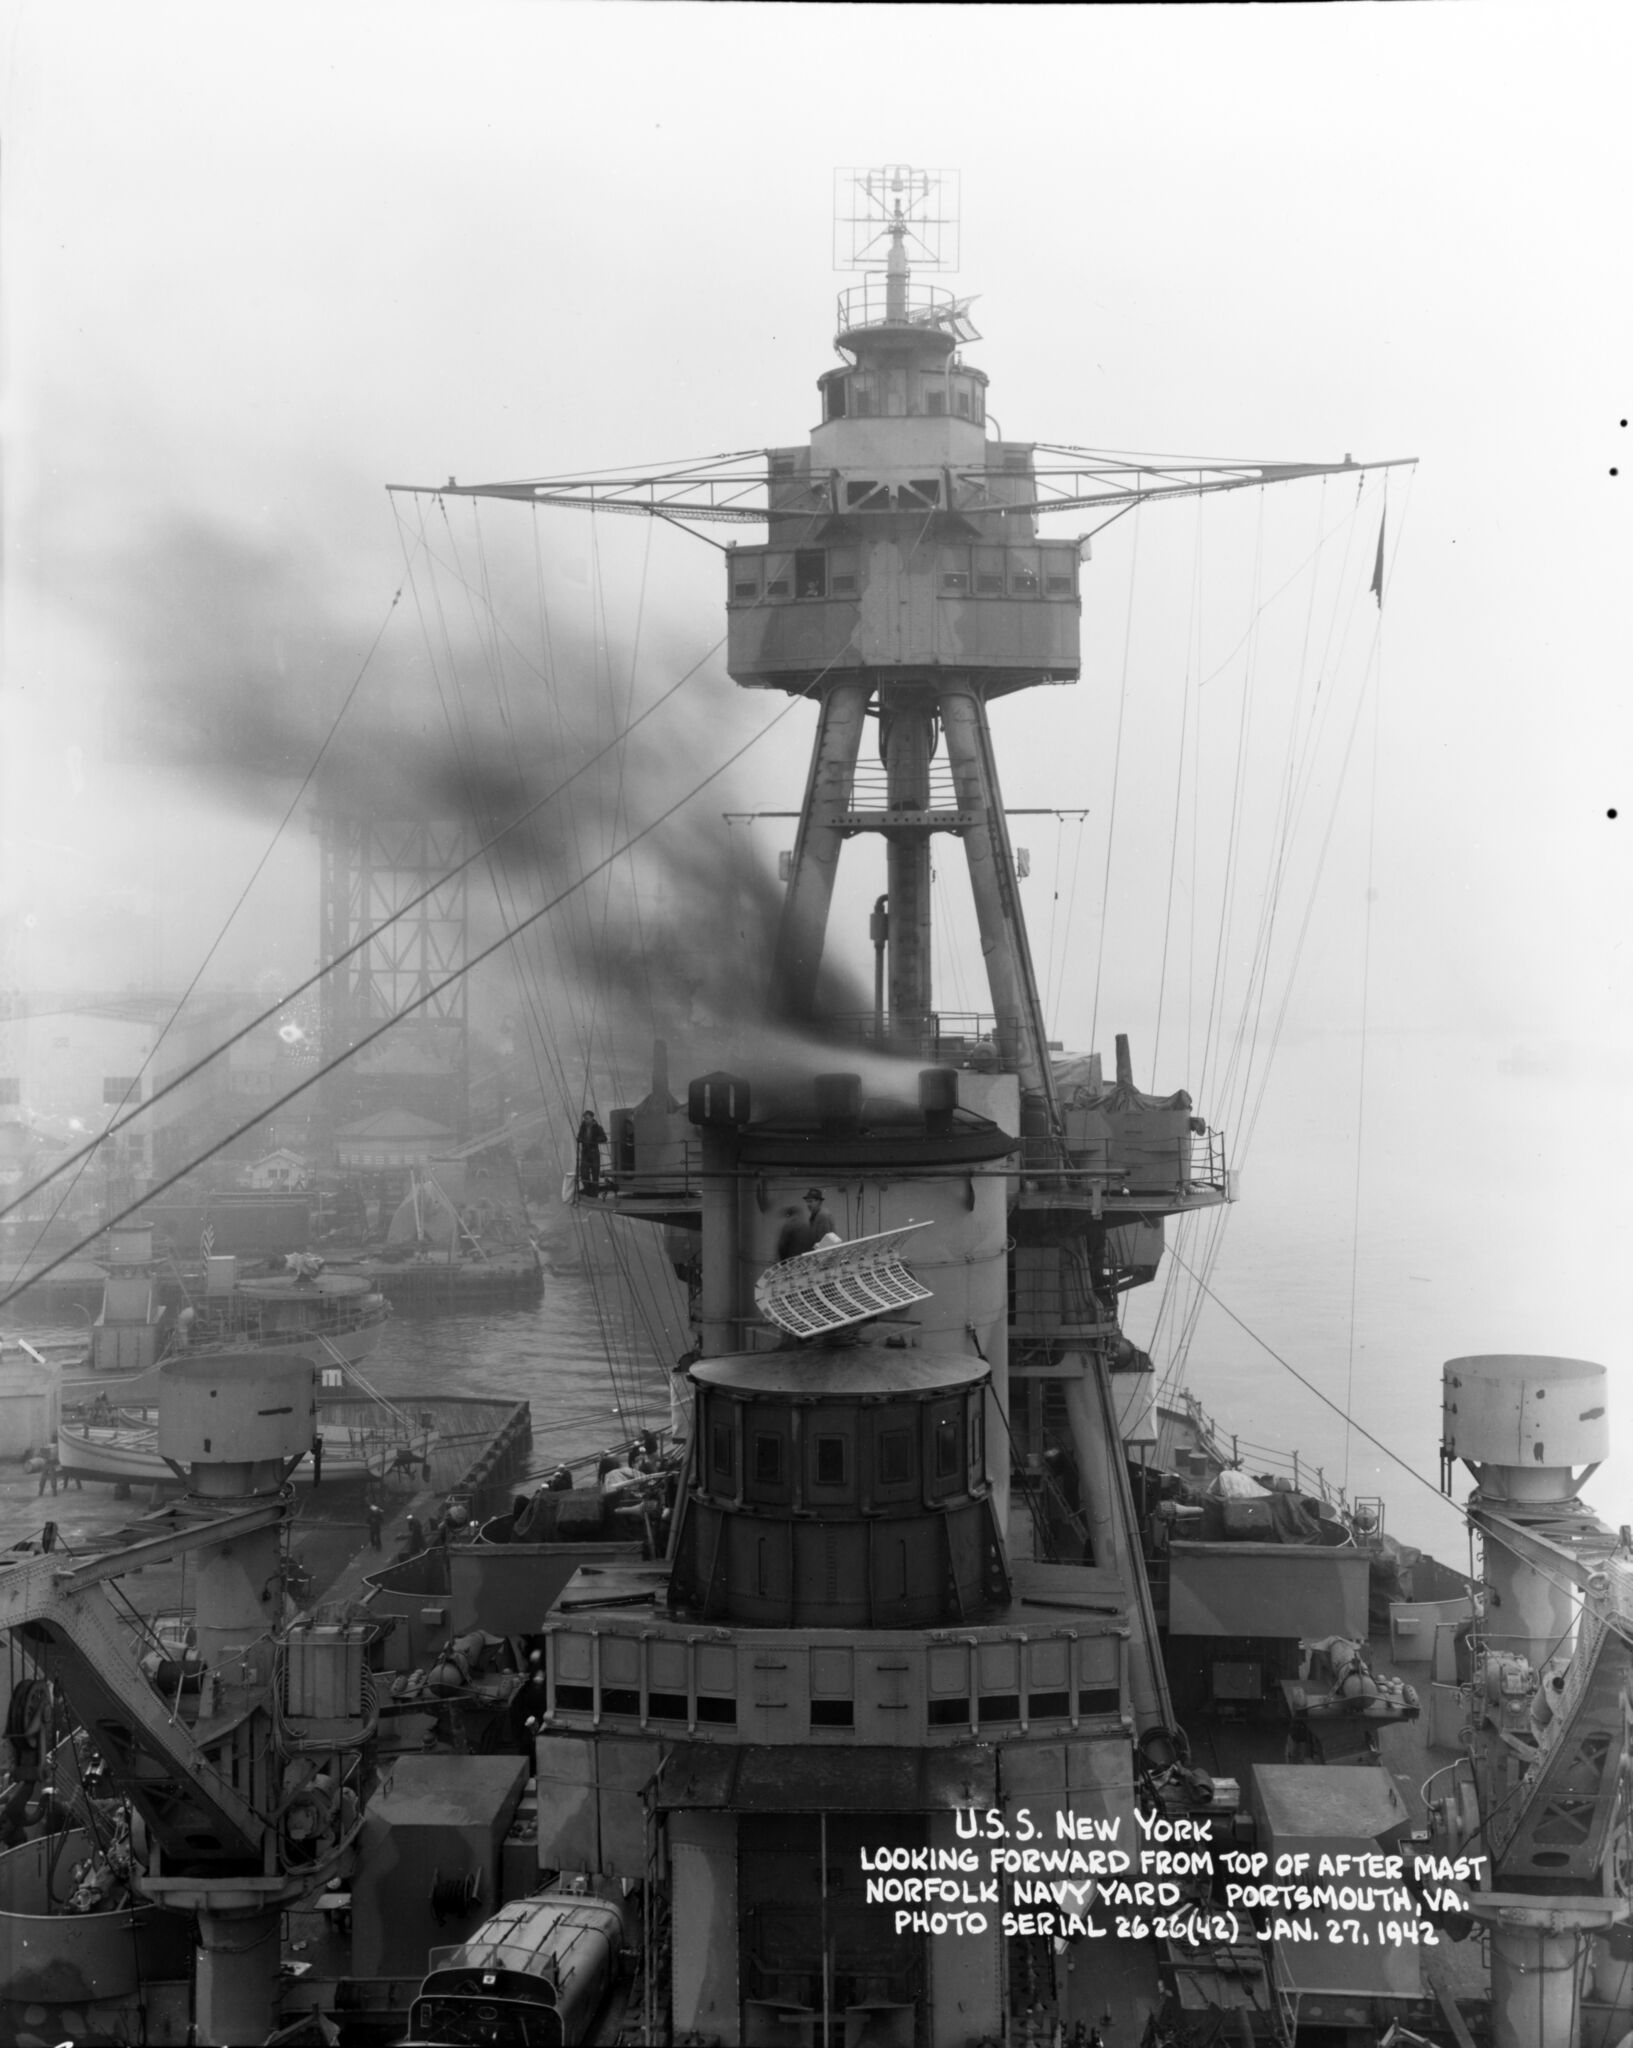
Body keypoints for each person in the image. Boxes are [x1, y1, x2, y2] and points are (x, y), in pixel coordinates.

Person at [776, 1187, 838, 1260]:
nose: (808, 1204)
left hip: (824, 1257)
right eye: (807, 1202)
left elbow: (825, 1240)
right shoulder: (815, 1216)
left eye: (811, 1201)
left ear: (819, 1202)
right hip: (821, 1255)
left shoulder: (822, 1216)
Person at [576, 1109, 607, 1195]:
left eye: (587, 1118)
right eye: (585, 1118)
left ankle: (594, 1193)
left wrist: (595, 1140)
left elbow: (604, 1138)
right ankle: (588, 1189)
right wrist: (579, 1139)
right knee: (584, 1174)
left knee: (595, 1174)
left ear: (592, 1118)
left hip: (594, 1153)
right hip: (585, 1153)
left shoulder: (598, 1127)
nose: (585, 1120)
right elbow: (579, 1136)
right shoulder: (583, 1128)